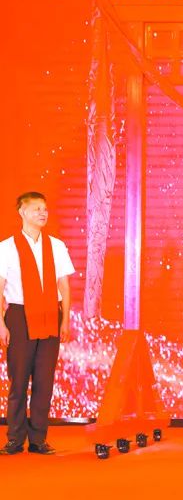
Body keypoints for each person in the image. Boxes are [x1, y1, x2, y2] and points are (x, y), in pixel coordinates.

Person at [0, 192, 75, 456]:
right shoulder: (6, 248)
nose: (42, 213)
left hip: (50, 314)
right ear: (22, 212)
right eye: (36, 209)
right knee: (18, 380)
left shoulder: (56, 246)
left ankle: (38, 439)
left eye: (45, 208)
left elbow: (64, 285)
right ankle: (14, 438)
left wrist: (65, 319)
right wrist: (1, 324)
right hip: (19, 316)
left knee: (44, 380)